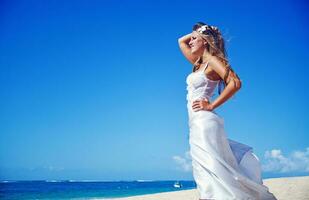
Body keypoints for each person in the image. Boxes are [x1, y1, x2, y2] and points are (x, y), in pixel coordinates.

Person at [178, 22, 277, 200]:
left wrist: (211, 105)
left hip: (204, 121)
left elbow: (235, 82)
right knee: (205, 169)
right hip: (195, 123)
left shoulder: (212, 61)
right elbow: (180, 41)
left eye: (194, 39)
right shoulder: (198, 63)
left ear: (205, 41)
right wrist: (199, 33)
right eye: (191, 38)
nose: (190, 41)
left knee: (210, 168)